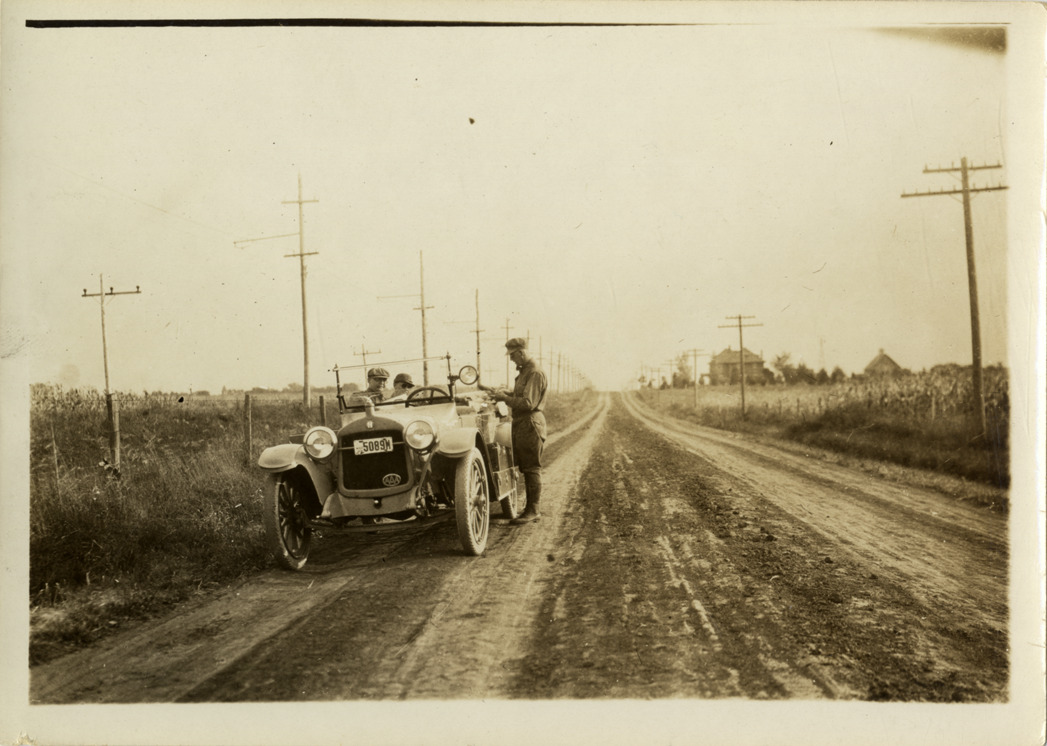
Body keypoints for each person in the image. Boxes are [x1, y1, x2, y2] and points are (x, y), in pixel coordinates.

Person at [479, 337, 547, 525]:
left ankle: (533, 511)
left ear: (521, 353)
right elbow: (522, 395)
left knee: (531, 467)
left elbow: (528, 403)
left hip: (530, 422)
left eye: (512, 355)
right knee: (525, 465)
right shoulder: (526, 371)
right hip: (523, 422)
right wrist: (506, 393)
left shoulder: (535, 372)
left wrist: (504, 398)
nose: (511, 359)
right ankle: (529, 509)